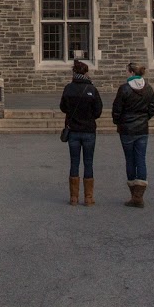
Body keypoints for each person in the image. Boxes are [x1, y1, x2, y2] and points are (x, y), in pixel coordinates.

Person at [111, 60, 154, 208]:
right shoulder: (148, 88)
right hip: (142, 129)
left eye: (126, 71)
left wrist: (120, 121)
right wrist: (144, 119)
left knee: (130, 159)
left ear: (131, 72)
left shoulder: (124, 89)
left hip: (127, 130)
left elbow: (117, 109)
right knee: (141, 159)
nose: (125, 73)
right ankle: (139, 196)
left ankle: (134, 196)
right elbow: (153, 109)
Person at [59, 59, 102, 205]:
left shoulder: (68, 88)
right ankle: (88, 198)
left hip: (73, 131)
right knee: (88, 162)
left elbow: (63, 108)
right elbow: (98, 111)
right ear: (86, 73)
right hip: (89, 130)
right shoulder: (92, 89)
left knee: (74, 162)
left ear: (74, 72)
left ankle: (74, 197)